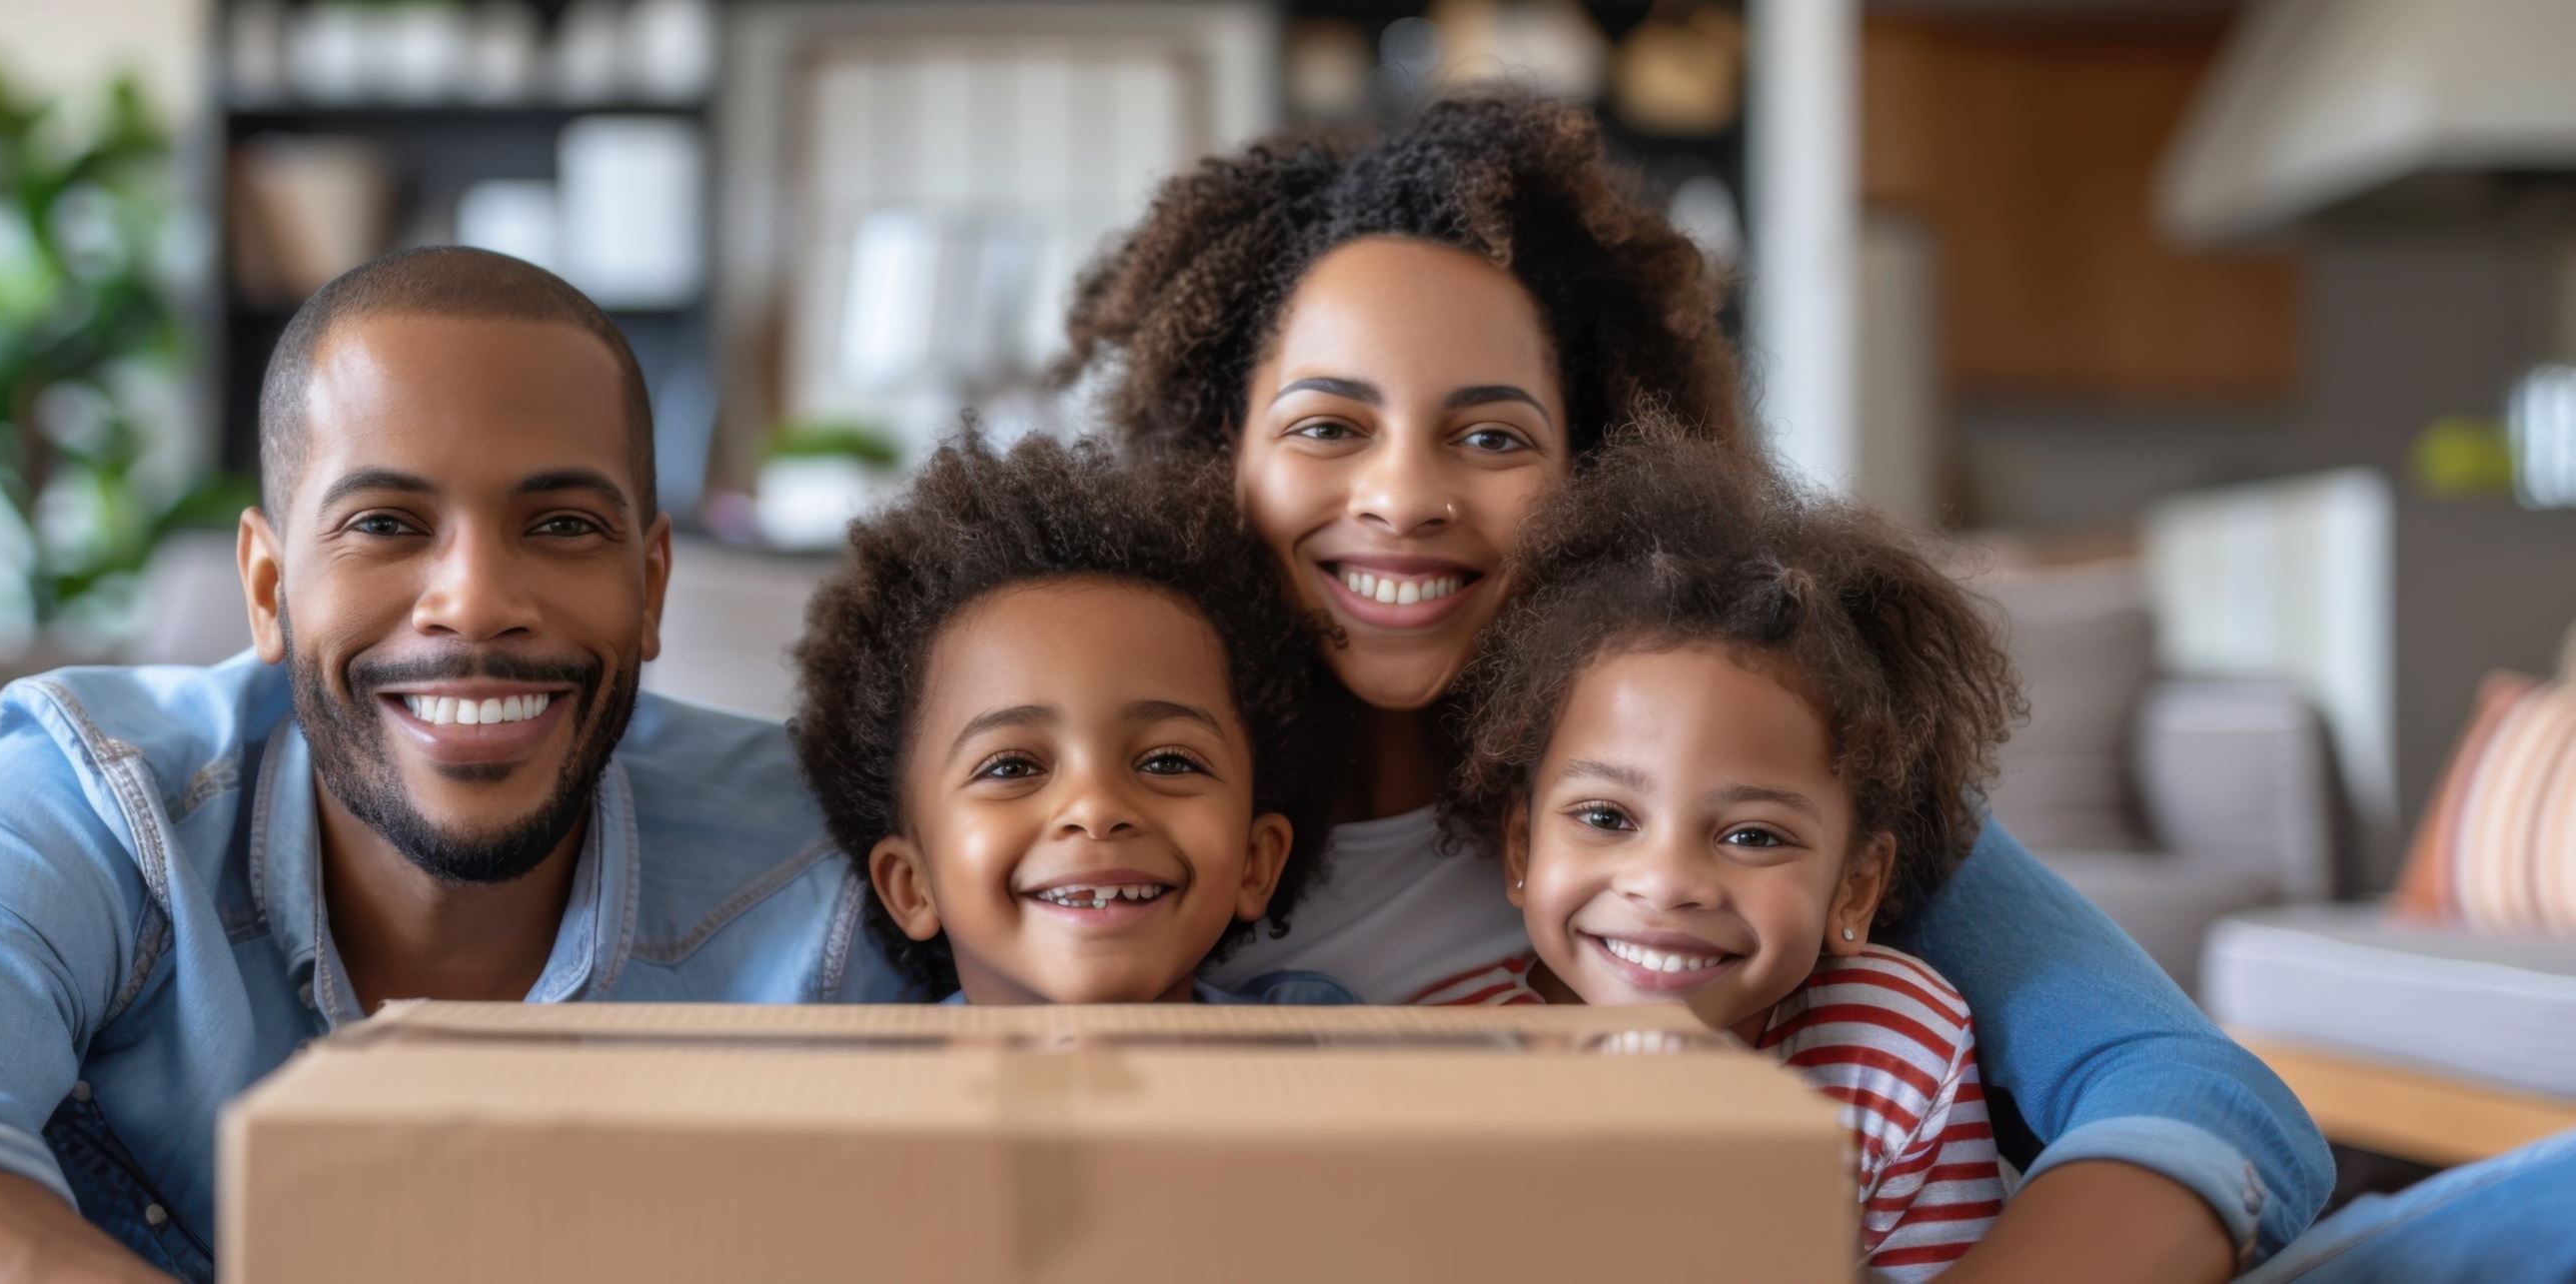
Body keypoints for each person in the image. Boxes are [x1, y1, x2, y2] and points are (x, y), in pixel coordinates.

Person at [1058, 92, 2324, 1279]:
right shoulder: (1102, 804)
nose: (1401, 499)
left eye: (1494, 435)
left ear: (1600, 474)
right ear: (1215, 462)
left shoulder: (1754, 761)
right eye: (1327, 427)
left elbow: (2200, 1095)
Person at [0, 247, 916, 1284]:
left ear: (649, 587)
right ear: (270, 588)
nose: (476, 602)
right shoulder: (88, 806)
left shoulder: (820, 861)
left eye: (560, 526)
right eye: (385, 524)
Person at [1436, 439, 2024, 1278]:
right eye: (1606, 815)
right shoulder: (1442, 1063)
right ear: (1524, 848)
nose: (1668, 882)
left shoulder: (1893, 1046)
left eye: (1752, 834)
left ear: (1855, 885)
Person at [787, 432, 1352, 1005]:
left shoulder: (1338, 1067)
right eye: (1010, 768)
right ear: (913, 885)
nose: (1097, 809)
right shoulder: (855, 1091)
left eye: (1167, 761)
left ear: (1256, 863)